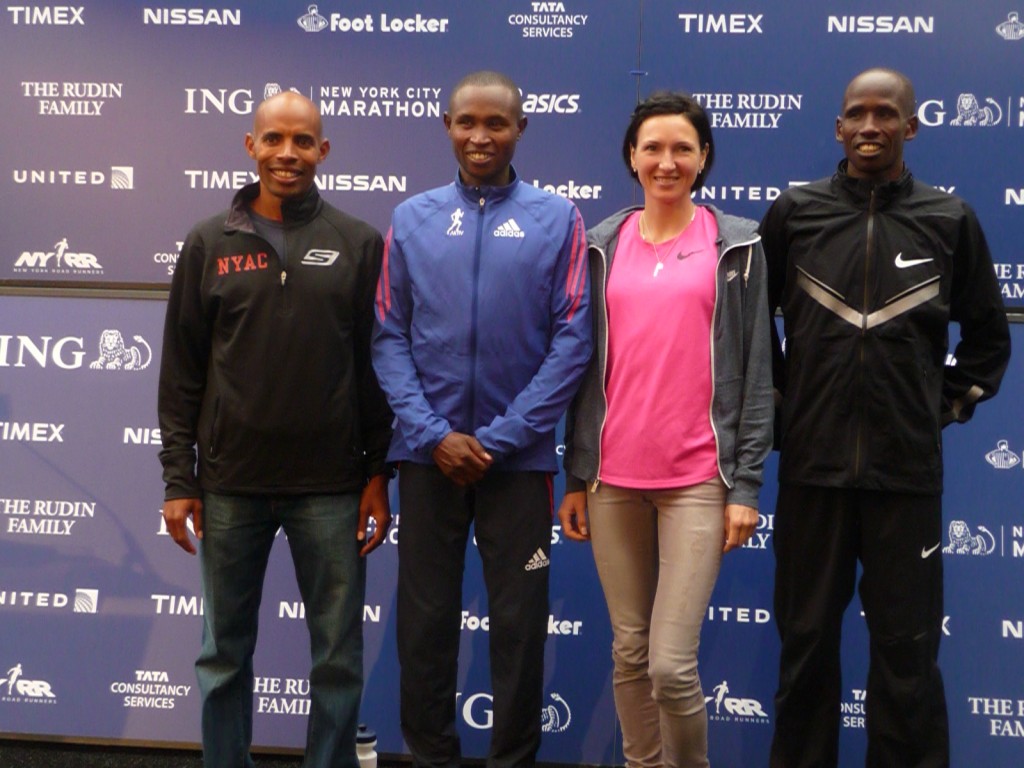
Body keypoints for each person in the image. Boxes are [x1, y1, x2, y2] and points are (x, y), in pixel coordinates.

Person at [761, 68, 1011, 767]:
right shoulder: (795, 212)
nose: (870, 125)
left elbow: (989, 342)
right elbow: (751, 334)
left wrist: (933, 409)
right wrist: (785, 411)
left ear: (912, 125)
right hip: (813, 473)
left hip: (907, 476)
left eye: (885, 113)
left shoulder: (950, 219)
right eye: (856, 114)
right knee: (805, 650)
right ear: (838, 128)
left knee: (907, 657)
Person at [157, 91, 393, 768]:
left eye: (302, 140)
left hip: (332, 487)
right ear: (250, 145)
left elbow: (376, 370)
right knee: (223, 654)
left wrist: (379, 474)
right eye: (274, 139)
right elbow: (181, 373)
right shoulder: (210, 242)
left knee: (339, 659)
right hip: (231, 486)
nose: (287, 153)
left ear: (323, 150)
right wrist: (181, 478)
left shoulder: (357, 243)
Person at [371, 70, 592, 768]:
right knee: (426, 622)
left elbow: (573, 338)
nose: (481, 135)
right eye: (468, 121)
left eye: (496, 123)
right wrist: (434, 436)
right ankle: (431, 755)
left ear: (520, 128)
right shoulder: (411, 218)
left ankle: (513, 760)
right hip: (427, 458)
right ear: (447, 124)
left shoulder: (559, 219)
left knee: (521, 627)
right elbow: (387, 334)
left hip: (516, 463)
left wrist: (498, 439)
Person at [558, 91, 774, 768]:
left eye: (682, 148)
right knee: (628, 650)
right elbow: (580, 366)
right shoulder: (598, 244)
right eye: (652, 147)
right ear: (631, 155)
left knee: (671, 666)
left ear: (704, 156)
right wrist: (575, 474)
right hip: (610, 480)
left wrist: (745, 485)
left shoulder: (737, 245)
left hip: (699, 483)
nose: (667, 161)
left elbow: (758, 371)